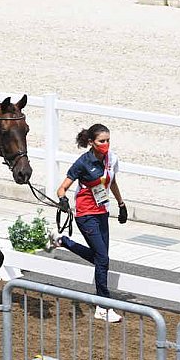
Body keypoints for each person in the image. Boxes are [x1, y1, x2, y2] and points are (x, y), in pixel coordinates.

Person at [50, 123, 128, 323]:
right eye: (102, 141)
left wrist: (121, 204)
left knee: (101, 259)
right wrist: (63, 200)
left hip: (102, 212)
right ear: (92, 143)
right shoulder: (83, 162)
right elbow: (62, 188)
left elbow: (112, 182)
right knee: (102, 259)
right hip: (85, 214)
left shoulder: (112, 159)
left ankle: (64, 242)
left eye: (108, 140)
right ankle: (103, 306)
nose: (106, 144)